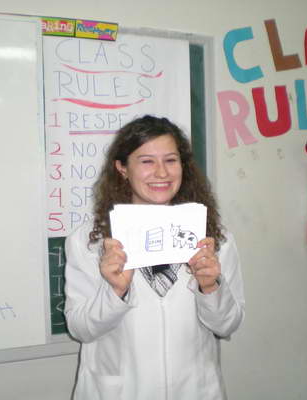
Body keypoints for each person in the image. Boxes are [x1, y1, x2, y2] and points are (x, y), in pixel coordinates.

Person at [64, 115, 245, 400]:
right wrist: (115, 292)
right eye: (147, 161)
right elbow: (80, 329)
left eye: (171, 160)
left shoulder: (213, 239)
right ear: (122, 168)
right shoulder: (90, 241)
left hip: (194, 390)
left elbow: (227, 325)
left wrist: (210, 287)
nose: (161, 173)